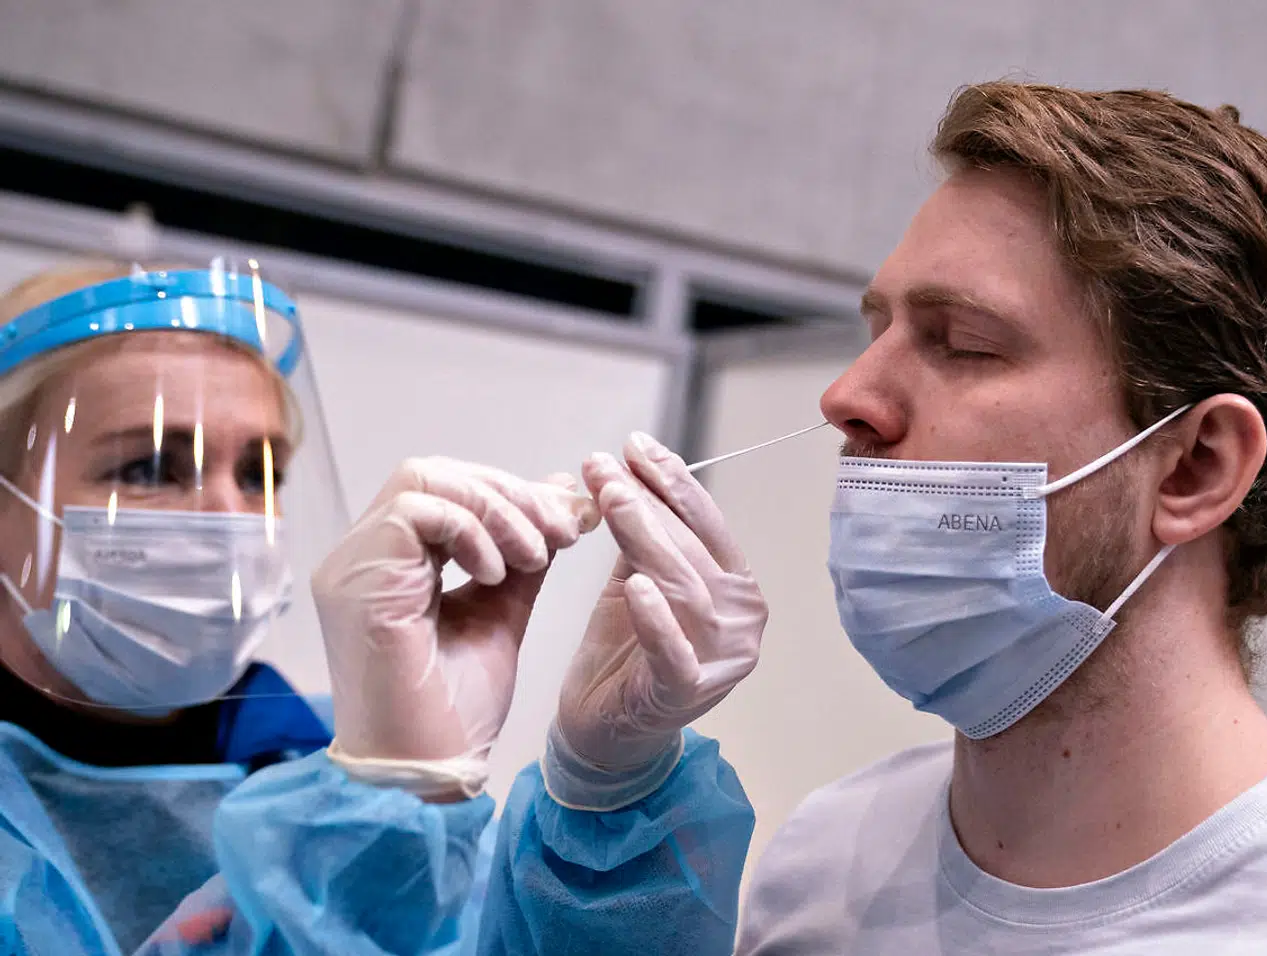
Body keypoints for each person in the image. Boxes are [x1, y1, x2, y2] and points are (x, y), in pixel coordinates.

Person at [709, 82, 1267, 952]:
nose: (846, 396)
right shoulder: (819, 870)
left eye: (964, 343)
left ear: (1197, 468)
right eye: (878, 333)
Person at [0, 260, 759, 955]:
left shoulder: (344, 779)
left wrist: (606, 790)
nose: (234, 517)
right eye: (149, 468)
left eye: (259, 474)